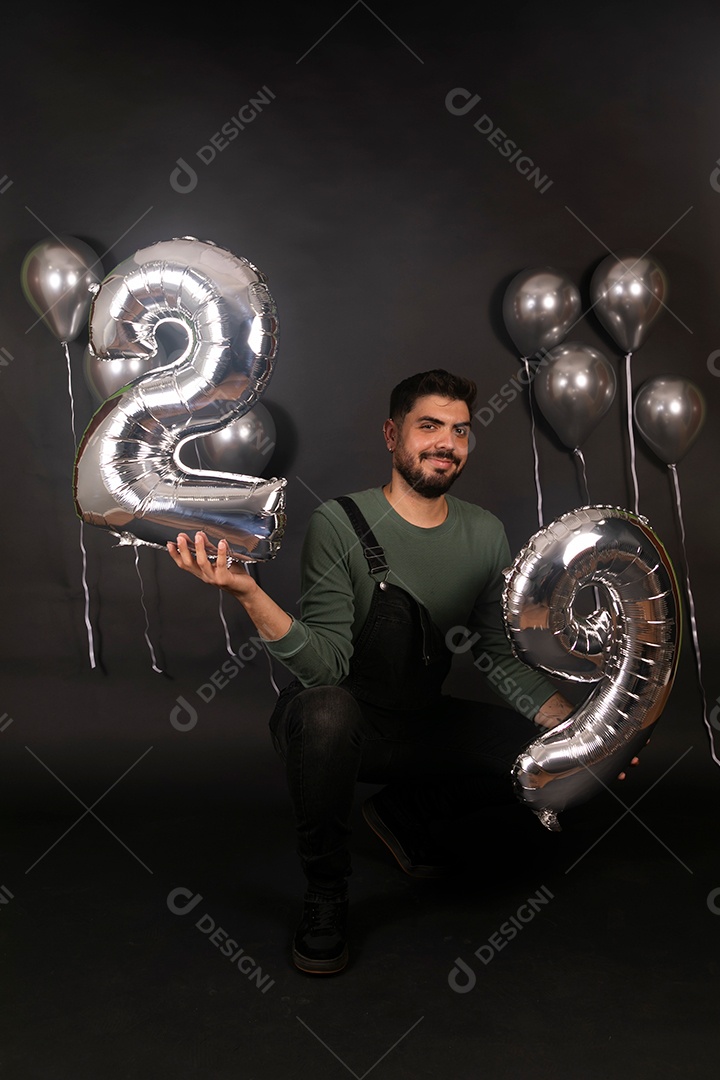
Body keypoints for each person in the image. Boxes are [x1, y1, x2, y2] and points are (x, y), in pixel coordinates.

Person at [167, 369, 578, 975]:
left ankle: (407, 814)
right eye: (429, 426)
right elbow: (325, 667)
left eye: (460, 430)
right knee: (326, 711)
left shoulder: (485, 532)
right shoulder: (341, 523)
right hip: (338, 722)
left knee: (549, 757)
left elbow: (494, 651)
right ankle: (326, 892)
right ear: (392, 435)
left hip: (420, 725)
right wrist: (249, 593)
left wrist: (570, 727)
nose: (447, 443)